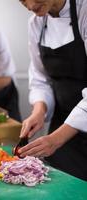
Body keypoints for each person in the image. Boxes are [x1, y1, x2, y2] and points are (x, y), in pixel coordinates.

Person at [18, 0, 87, 181]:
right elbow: (41, 78)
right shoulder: (36, 23)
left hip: (68, 129)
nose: (30, 5)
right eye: (21, 0)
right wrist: (39, 111)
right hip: (61, 120)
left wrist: (56, 139)